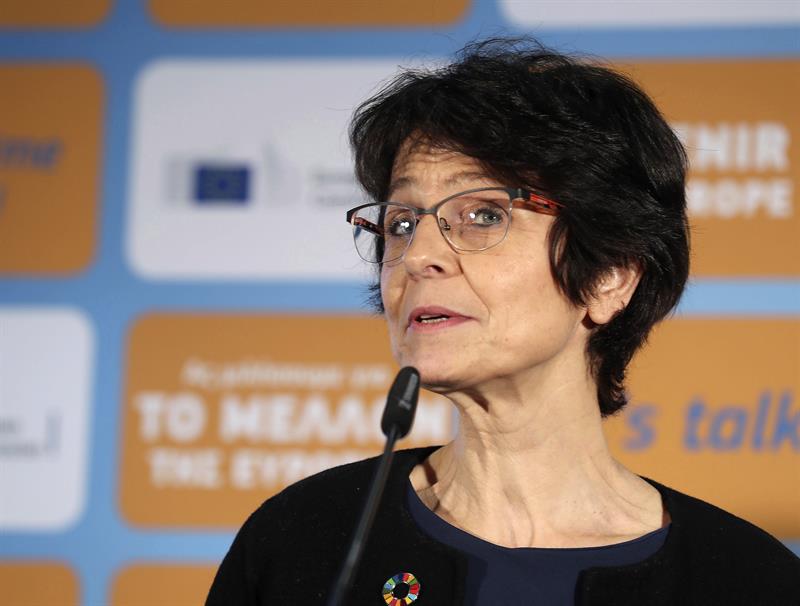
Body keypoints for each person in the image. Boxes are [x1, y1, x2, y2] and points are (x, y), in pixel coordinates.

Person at [206, 38, 800, 605]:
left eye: (484, 215)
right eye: (402, 223)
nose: (417, 256)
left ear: (609, 276)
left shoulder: (748, 582)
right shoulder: (305, 541)